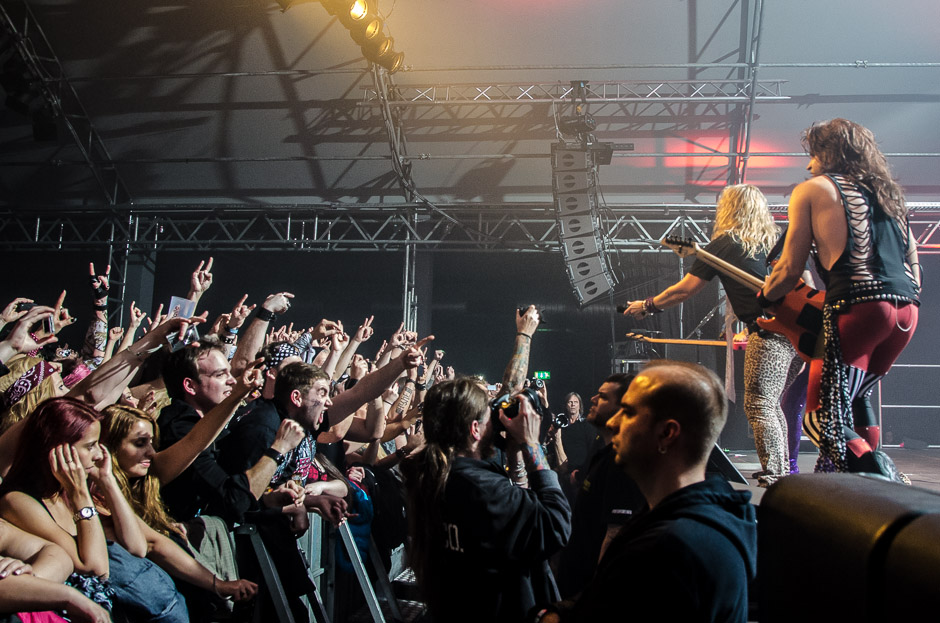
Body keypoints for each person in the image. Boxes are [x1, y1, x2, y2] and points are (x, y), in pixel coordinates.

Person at [760, 118, 921, 477]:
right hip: (907, 312)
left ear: (828, 154)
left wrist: (765, 297)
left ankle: (882, 477)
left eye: (814, 154)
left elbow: (788, 268)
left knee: (822, 419)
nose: (808, 164)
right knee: (857, 398)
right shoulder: (889, 195)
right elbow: (913, 261)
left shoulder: (814, 189)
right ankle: (865, 486)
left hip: (859, 307)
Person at [538, 361, 757, 622]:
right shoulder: (674, 519)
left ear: (666, 433)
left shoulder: (672, 551)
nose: (615, 421)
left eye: (629, 412)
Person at [623, 184, 803, 486]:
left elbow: (685, 289)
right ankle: (781, 468)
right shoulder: (776, 242)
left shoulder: (726, 243)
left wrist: (648, 305)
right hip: (798, 333)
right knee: (771, 404)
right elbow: (806, 280)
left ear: (729, 209)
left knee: (760, 404)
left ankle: (776, 475)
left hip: (770, 332)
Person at [0, 397, 188, 622]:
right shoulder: (18, 501)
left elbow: (137, 546)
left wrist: (107, 481)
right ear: (58, 450)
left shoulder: (68, 490)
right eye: (90, 446)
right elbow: (97, 569)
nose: (99, 455)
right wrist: (81, 494)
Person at [401, 377, 571, 623]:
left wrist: (515, 459)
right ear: (475, 429)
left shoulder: (431, 474)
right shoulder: (480, 487)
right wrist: (531, 444)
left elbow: (519, 515)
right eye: (490, 416)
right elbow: (556, 523)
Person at [99, 405, 258, 617]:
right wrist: (218, 584)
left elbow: (197, 443)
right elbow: (150, 544)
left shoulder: (144, 482)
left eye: (152, 443)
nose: (152, 452)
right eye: (140, 443)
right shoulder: (99, 496)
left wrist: (238, 394)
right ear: (108, 448)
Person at [554, 373, 646, 599]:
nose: (593, 398)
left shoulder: (623, 463)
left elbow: (615, 534)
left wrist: (594, 597)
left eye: (603, 397)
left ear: (623, 408)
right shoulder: (601, 455)